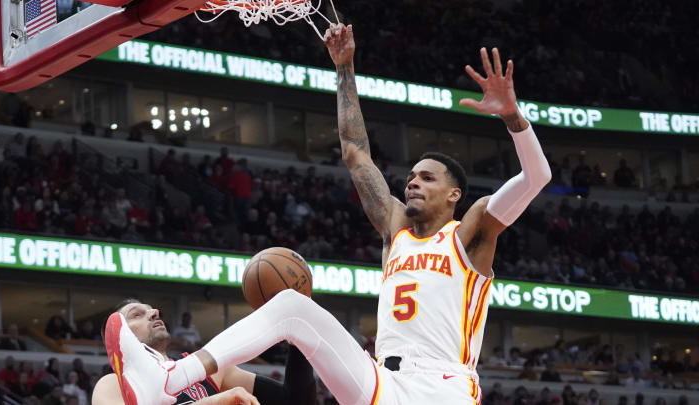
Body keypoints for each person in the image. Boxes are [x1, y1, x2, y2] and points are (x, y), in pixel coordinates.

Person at [102, 26, 550, 405]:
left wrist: (514, 118)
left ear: (454, 193)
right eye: (411, 175)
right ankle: (167, 381)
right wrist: (344, 68)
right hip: (382, 382)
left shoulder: (470, 231)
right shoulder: (395, 229)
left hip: (442, 386)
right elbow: (356, 153)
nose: (412, 181)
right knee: (295, 308)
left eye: (427, 178)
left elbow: (535, 178)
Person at [92, 299, 316, 405]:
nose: (154, 312)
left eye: (151, 309)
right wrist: (216, 402)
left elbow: (295, 401)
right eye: (136, 315)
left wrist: (298, 334)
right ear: (118, 337)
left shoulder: (213, 371)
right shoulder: (111, 384)